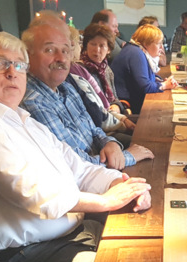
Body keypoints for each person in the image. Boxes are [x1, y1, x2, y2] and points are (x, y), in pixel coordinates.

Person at [0, 30, 151, 262]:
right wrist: (105, 201)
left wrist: (124, 185)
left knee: (152, 250)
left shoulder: (24, 120)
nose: (12, 72)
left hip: (73, 235)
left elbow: (80, 168)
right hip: (28, 257)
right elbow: (31, 191)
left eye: (19, 65)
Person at [21, 14, 153, 170]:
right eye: (49, 50)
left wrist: (109, 143)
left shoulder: (66, 87)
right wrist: (127, 156)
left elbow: (93, 128)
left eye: (65, 50)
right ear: (27, 56)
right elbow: (76, 165)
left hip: (102, 169)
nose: (61, 59)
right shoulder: (33, 103)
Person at [68, 25, 135, 148]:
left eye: (102, 46)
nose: (97, 50)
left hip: (113, 115)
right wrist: (121, 119)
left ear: (109, 49)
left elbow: (115, 98)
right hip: (102, 126)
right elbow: (94, 111)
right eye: (93, 44)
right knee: (138, 139)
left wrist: (116, 106)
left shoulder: (106, 69)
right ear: (85, 46)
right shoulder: (80, 70)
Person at [111, 24, 178, 114]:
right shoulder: (136, 53)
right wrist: (165, 85)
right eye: (159, 43)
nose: (161, 48)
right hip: (127, 106)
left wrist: (161, 82)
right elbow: (145, 87)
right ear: (146, 44)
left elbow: (147, 78)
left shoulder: (134, 49)